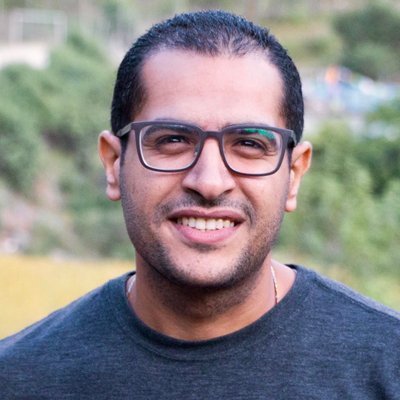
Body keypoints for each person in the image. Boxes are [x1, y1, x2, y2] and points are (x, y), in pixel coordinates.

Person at [1, 10, 399, 399]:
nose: (209, 182)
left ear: (293, 174)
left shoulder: (387, 367)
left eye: (249, 144)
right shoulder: (18, 378)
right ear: (114, 164)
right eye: (173, 140)